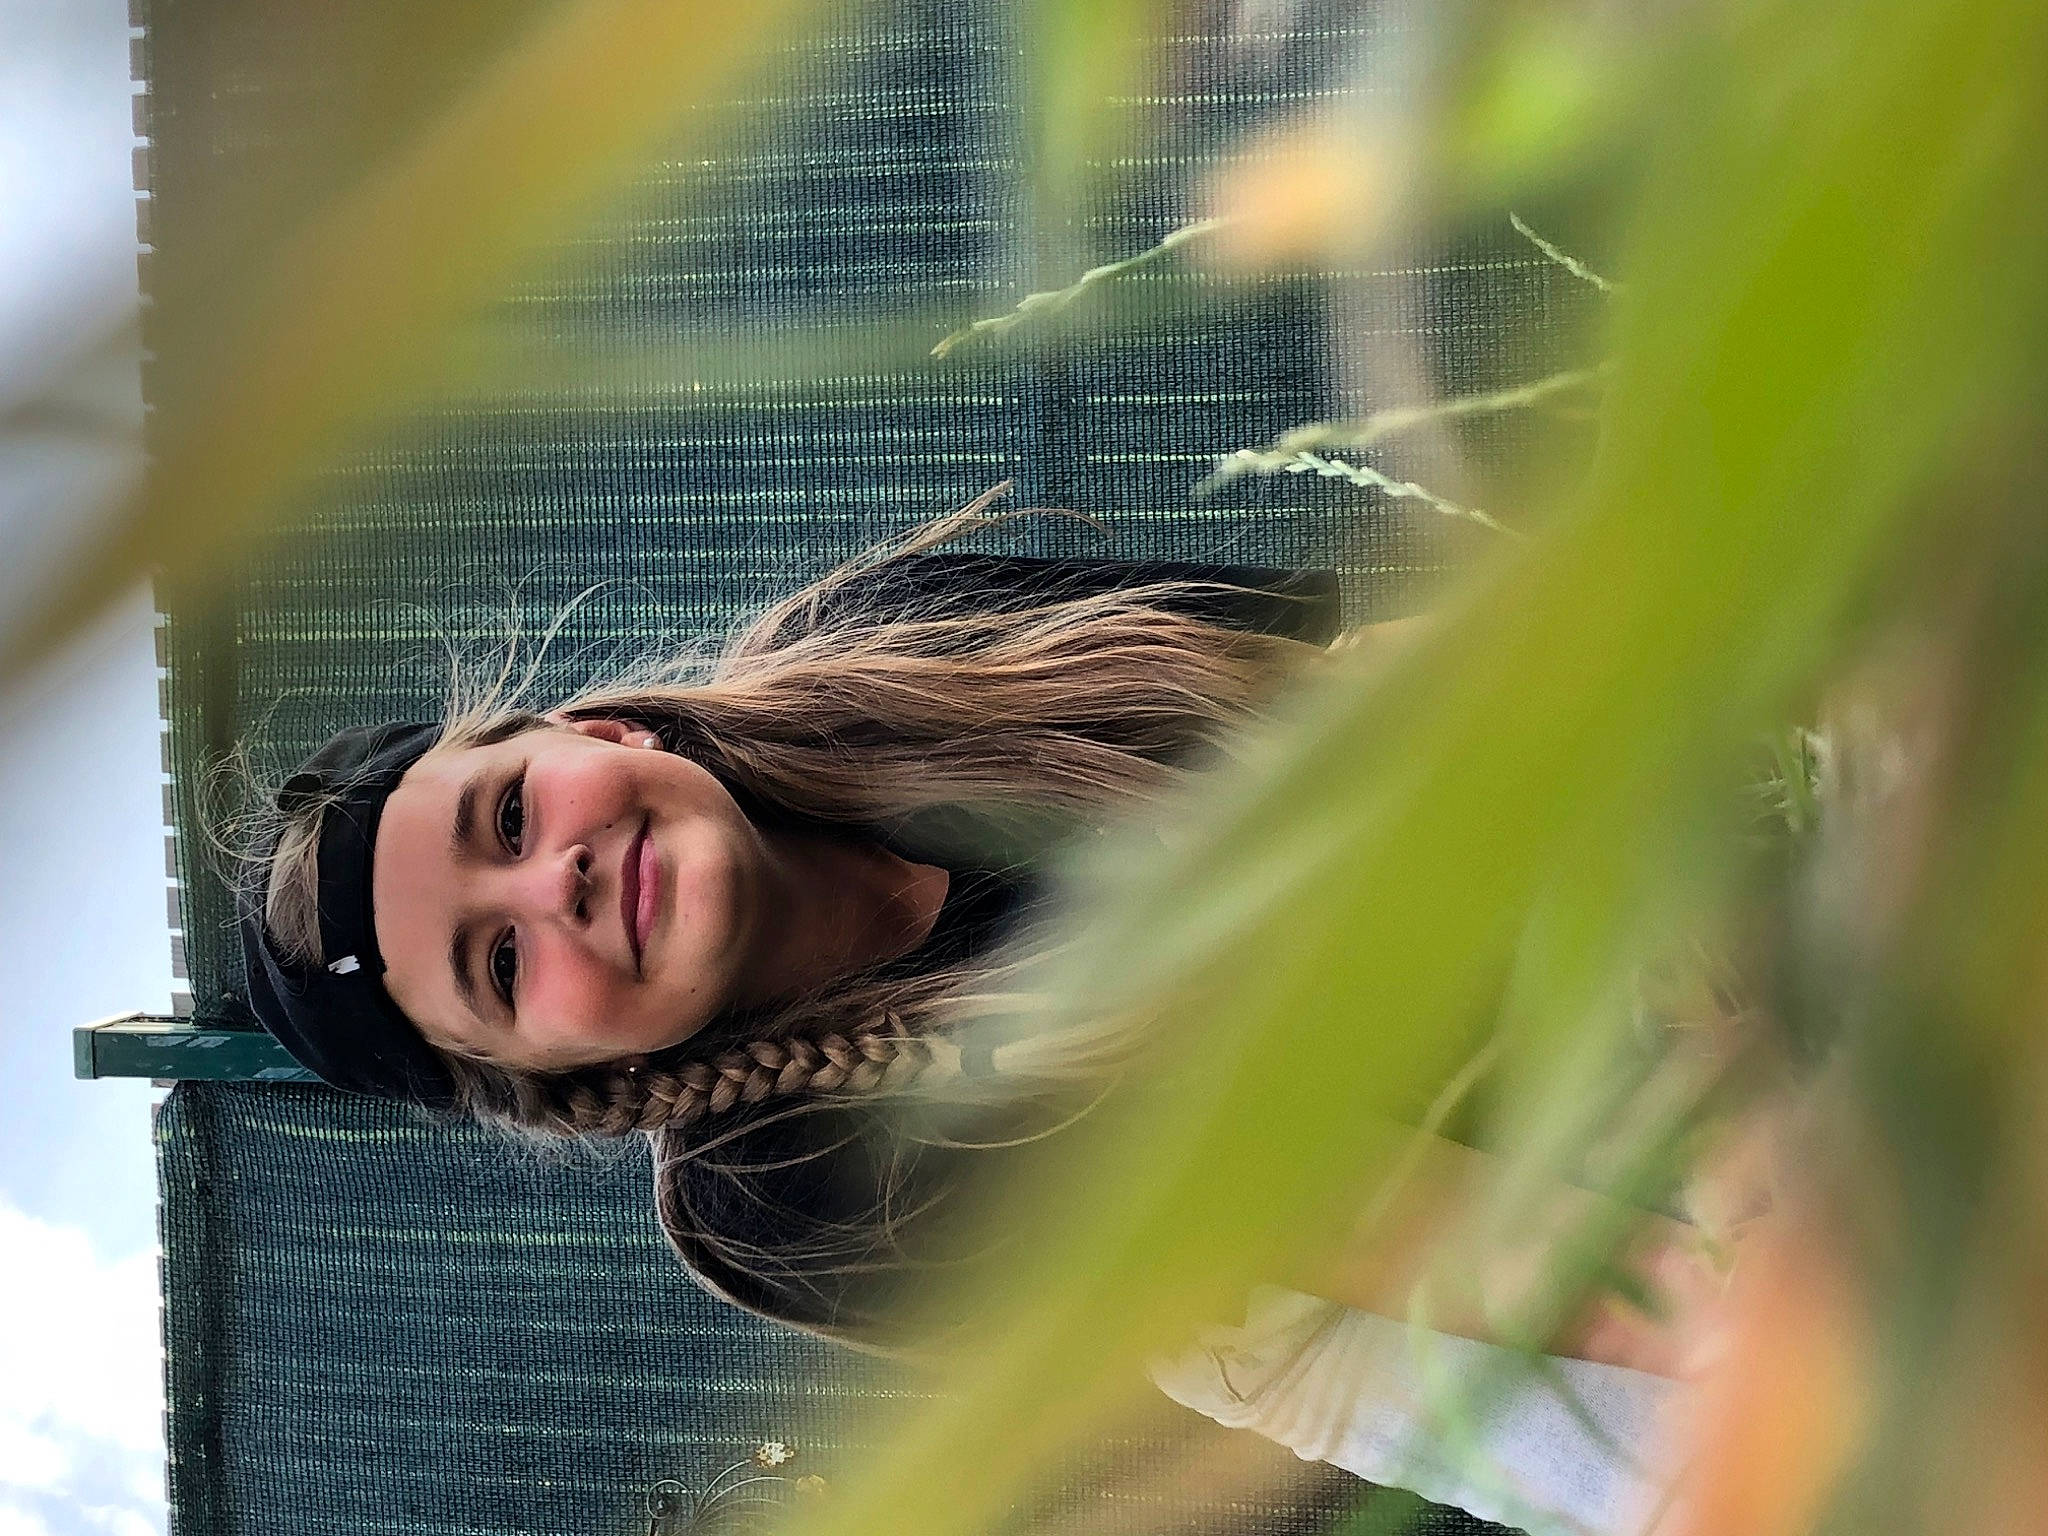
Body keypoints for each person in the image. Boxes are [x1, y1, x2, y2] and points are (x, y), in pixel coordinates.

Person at [234, 505, 1707, 1534]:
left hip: (1604, 944)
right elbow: (1505, 1263)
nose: (550, 881)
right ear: (556, 1077)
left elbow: (1384, 670)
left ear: (597, 733)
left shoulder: (883, 648)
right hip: (1529, 1308)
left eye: (507, 809)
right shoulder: (787, 1187)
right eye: (498, 966)